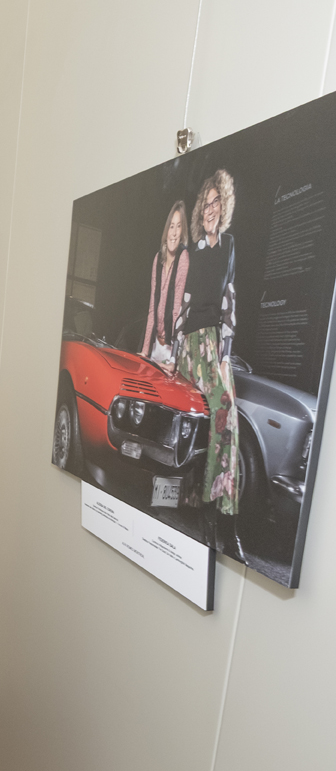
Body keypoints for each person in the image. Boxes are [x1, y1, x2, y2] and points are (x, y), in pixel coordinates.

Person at [173, 170, 244, 559]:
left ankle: (220, 514)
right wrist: (177, 349)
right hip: (189, 345)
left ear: (224, 207)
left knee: (225, 415)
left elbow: (230, 299)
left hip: (215, 345)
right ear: (201, 209)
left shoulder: (228, 246)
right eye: (208, 202)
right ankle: (190, 499)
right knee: (191, 418)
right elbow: (183, 303)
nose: (212, 208)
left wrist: (226, 349)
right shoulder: (192, 253)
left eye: (218, 202)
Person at [140, 201, 189, 365]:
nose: (174, 233)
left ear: (183, 232)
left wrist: (174, 359)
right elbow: (152, 308)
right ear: (166, 230)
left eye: (179, 227)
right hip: (156, 346)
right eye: (171, 226)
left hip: (170, 349)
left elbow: (177, 311)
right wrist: (145, 350)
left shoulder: (183, 257)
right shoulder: (157, 259)